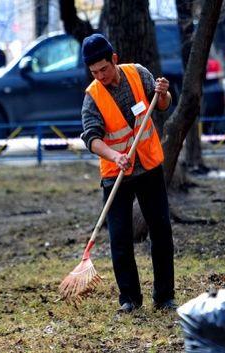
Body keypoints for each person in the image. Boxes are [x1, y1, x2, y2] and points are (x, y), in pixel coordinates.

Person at [79, 34, 175, 313]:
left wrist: (164, 92)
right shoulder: (92, 97)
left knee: (161, 231)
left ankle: (165, 297)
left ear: (115, 60)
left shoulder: (139, 75)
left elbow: (163, 105)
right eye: (94, 72)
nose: (100, 76)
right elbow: (91, 139)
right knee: (120, 238)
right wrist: (114, 155)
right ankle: (129, 299)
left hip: (148, 166)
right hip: (115, 173)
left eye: (104, 69)